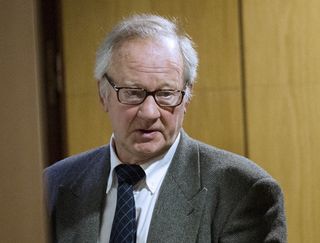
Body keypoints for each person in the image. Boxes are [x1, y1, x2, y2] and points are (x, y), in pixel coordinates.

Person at [44, 14, 287, 243]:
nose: (149, 113)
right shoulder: (54, 185)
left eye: (166, 94)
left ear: (187, 97)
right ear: (102, 94)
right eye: (132, 93)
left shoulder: (241, 190)